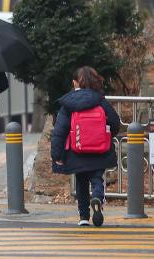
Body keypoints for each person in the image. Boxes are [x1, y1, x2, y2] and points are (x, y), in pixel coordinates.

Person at [51, 66, 120, 227]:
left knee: (81, 181)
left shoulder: (69, 104)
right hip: (100, 149)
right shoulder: (100, 101)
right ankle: (97, 196)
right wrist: (107, 135)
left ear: (75, 83)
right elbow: (115, 123)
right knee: (97, 178)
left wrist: (57, 155)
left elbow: (59, 131)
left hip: (77, 150)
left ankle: (83, 217)